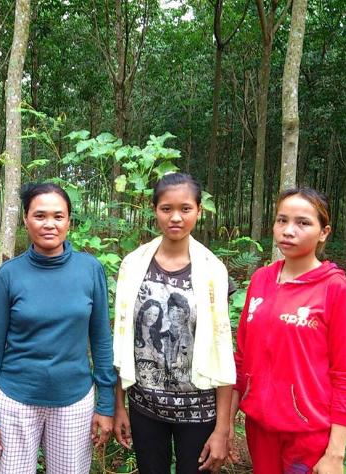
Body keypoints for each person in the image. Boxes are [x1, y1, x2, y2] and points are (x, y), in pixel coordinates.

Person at [0, 183, 116, 474]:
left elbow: (102, 340)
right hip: (15, 401)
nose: (49, 224)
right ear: (25, 219)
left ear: (69, 221)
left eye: (58, 216)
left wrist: (106, 404)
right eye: (39, 215)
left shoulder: (90, 270)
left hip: (74, 401)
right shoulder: (8, 275)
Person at [113, 172, 235, 473]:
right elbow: (123, 338)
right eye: (166, 209)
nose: (176, 217)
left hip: (199, 410)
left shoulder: (212, 270)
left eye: (185, 209)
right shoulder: (133, 265)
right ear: (154, 210)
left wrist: (223, 427)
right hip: (145, 406)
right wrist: (118, 406)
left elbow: (221, 349)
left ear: (199, 211)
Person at [230, 188, 346, 473]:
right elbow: (242, 358)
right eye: (282, 220)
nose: (288, 230)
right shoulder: (261, 280)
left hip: (308, 435)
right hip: (260, 429)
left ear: (324, 232)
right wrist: (226, 425)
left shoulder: (335, 288)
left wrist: (335, 453)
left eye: (303, 223)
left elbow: (344, 375)